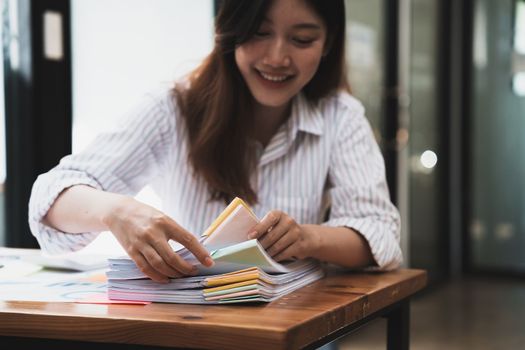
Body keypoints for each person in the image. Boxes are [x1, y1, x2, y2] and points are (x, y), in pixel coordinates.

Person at [29, 0, 402, 283]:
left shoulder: (340, 115)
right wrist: (116, 212)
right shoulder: (174, 106)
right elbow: (49, 197)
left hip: (296, 322)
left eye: (302, 39)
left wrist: (307, 238)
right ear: (230, 31)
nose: (277, 57)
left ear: (327, 43)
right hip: (196, 322)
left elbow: (380, 234)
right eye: (259, 31)